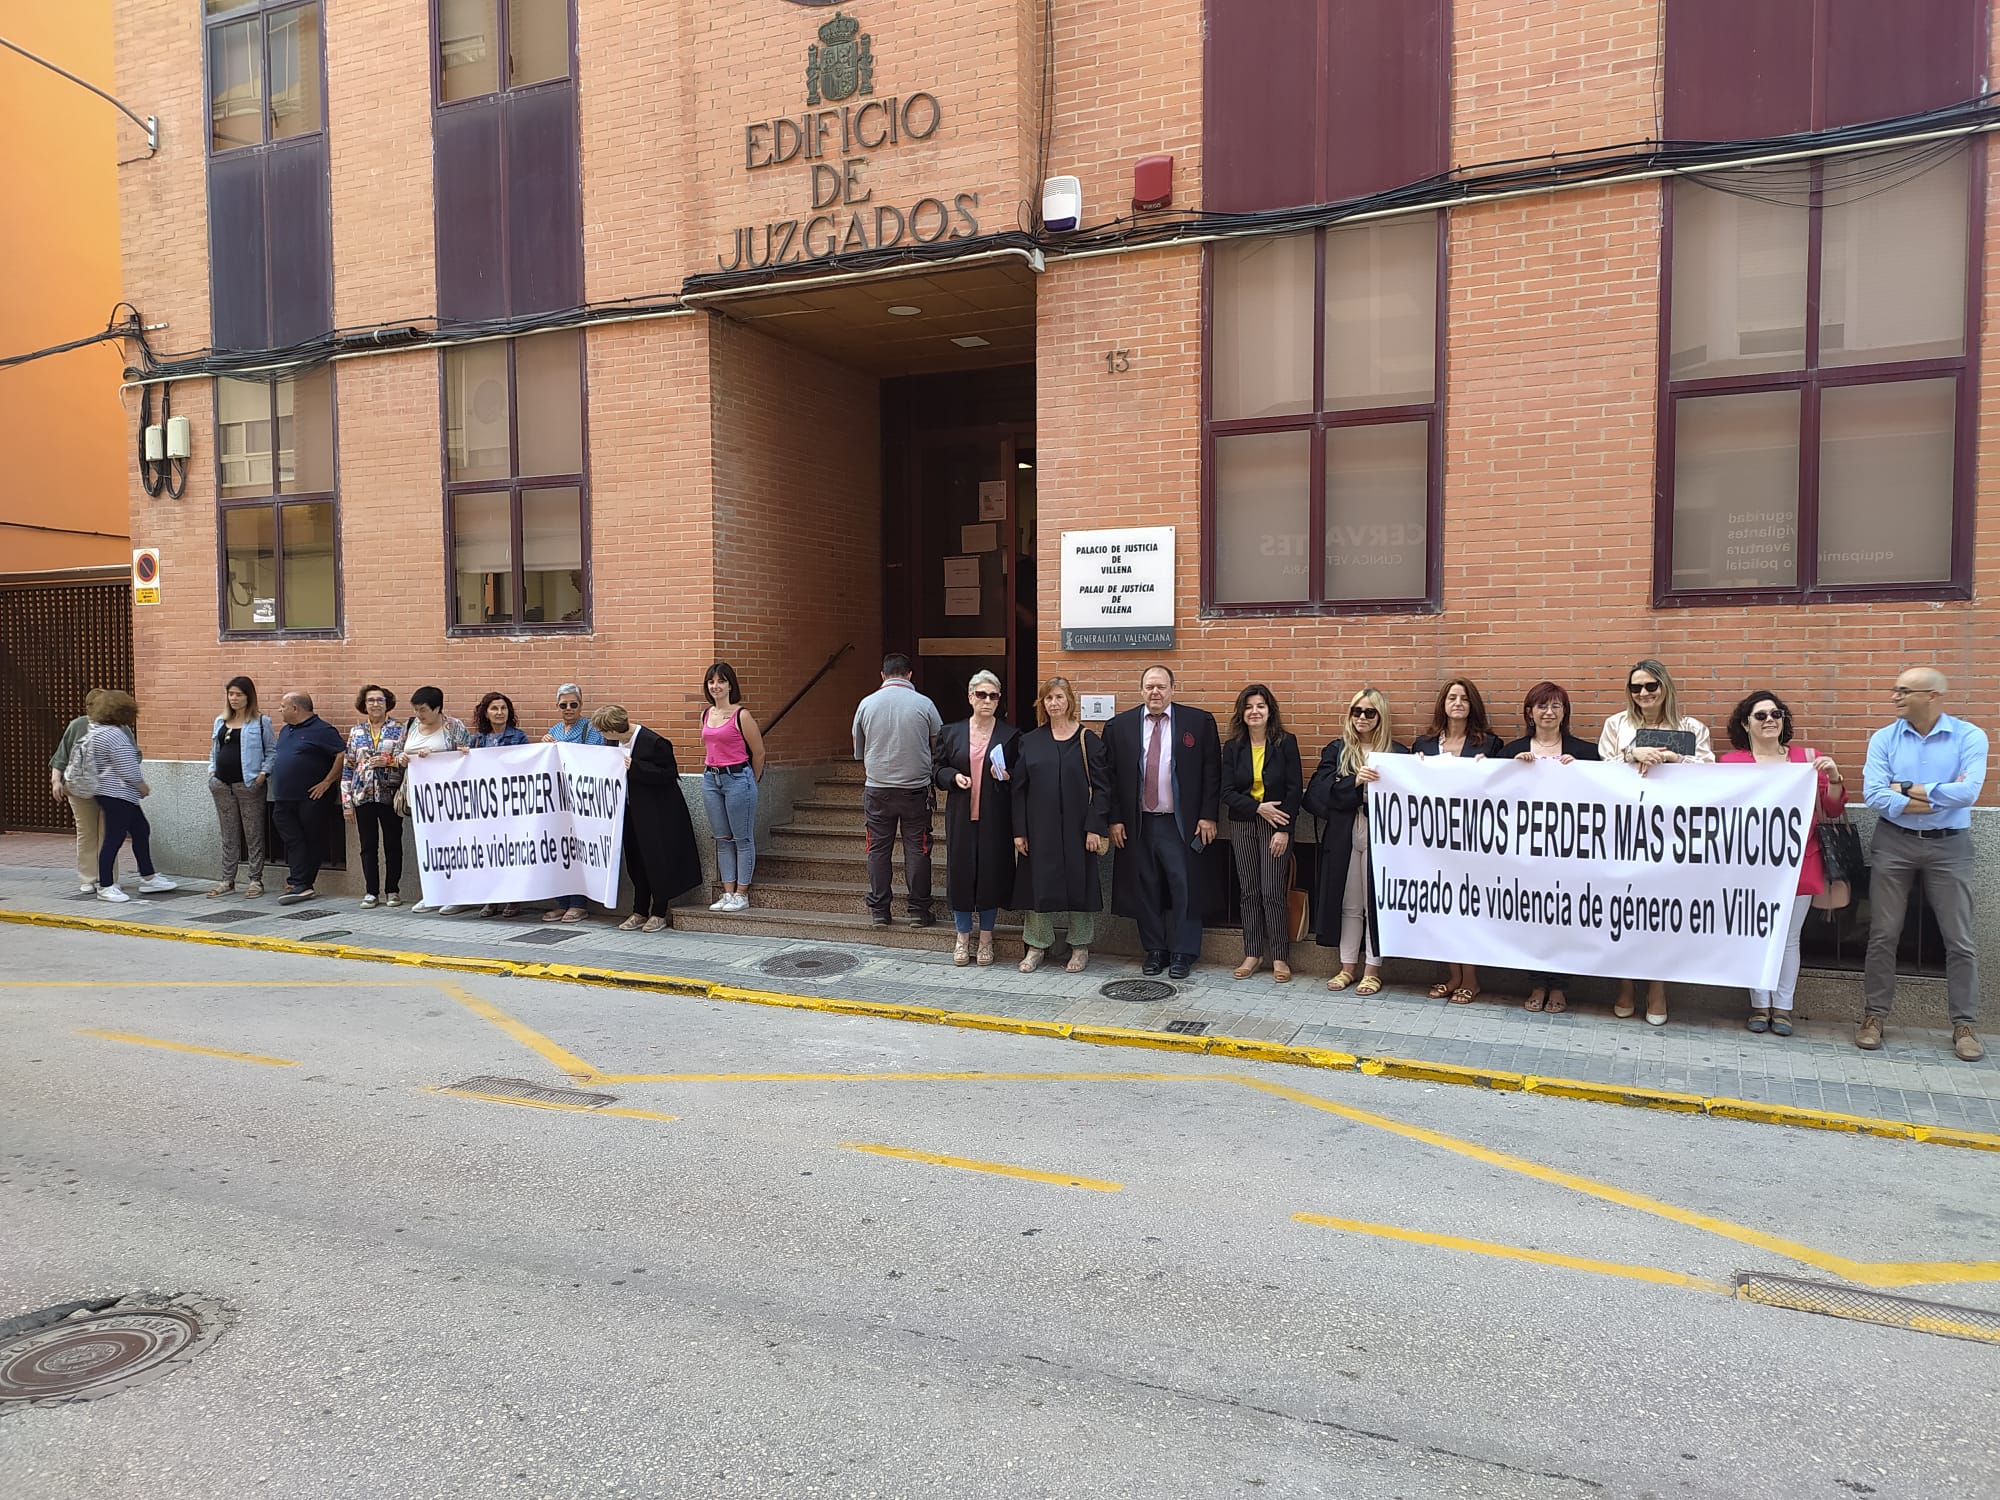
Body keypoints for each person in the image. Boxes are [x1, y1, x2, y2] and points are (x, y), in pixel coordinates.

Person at [1860, 668, 1987, 1062]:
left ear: (1932, 696)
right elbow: (1873, 796)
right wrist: (1933, 797)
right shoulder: (1884, 738)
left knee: (1959, 938)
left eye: (1904, 691)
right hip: (1893, 843)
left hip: (1950, 846)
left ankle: (1964, 1025)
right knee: (1883, 933)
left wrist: (1903, 788)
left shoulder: (1969, 736)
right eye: (1894, 690)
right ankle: (1873, 1016)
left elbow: (1967, 793)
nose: (1895, 697)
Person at [1719, 690, 1846, 1037]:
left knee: (1789, 938)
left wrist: (1834, 778)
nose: (1770, 720)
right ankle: (1759, 1004)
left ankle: (1783, 1007)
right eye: (1761, 715)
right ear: (1746, 723)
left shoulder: (1808, 759)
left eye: (1777, 714)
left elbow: (1832, 809)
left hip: (1800, 861)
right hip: (1750, 865)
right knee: (1755, 934)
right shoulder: (1731, 764)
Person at [1598, 658, 1714, 1025]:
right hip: (1625, 831)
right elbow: (1598, 773)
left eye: (1651, 686)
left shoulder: (1691, 727)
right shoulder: (1616, 724)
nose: (1644, 693)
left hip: (1671, 836)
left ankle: (1658, 987)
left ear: (1665, 687)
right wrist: (1630, 754)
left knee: (1660, 915)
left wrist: (1673, 757)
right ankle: (1626, 985)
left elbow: (1712, 774)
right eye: (1636, 687)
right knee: (1624, 911)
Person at [1104, 665, 1222, 980]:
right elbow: (1111, 779)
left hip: (1181, 825)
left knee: (1185, 887)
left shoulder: (1198, 722)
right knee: (1146, 888)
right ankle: (1156, 950)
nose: (1155, 692)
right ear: (1141, 690)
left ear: (1172, 688)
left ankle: (1184, 952)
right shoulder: (1120, 726)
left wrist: (1208, 814)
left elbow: (1212, 771)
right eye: (1149, 687)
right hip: (1138, 823)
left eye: (1161, 686)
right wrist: (1114, 820)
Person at [1501, 682, 1602, 1013]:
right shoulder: (1510, 751)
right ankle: (1536, 982)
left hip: (1569, 853)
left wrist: (1583, 773)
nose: (1548, 712)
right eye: (1542, 706)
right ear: (1530, 712)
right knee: (1532, 919)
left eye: (1556, 706)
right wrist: (1512, 770)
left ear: (1565, 712)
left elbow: (1603, 797)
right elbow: (1491, 794)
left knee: (1563, 919)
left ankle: (1559, 986)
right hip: (1525, 854)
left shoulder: (1585, 752)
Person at [1307, 687, 1407, 995]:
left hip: (1383, 835)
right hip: (1345, 831)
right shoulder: (1337, 749)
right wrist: (1354, 782)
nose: (1362, 717)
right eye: (1356, 711)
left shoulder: (1397, 753)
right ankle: (1347, 967)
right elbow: (1318, 793)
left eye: (1369, 712)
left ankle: (1373, 970)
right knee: (1349, 903)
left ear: (1381, 717)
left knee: (1375, 902)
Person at [1411, 678, 1505, 1004]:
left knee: (1469, 909)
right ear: (1443, 703)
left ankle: (1471, 979)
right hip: (1434, 843)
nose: (1458, 703)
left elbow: (1500, 787)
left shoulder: (1489, 744)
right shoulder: (1423, 745)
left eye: (1464, 698)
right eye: (1452, 697)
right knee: (1444, 907)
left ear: (1472, 705)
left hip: (1472, 841)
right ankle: (1453, 975)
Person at [1010, 675, 1109, 973]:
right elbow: (1019, 790)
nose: (1054, 703)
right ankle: (1038, 945)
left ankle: (1080, 946)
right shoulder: (1030, 741)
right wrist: (1019, 831)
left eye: (1059, 697)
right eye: (1049, 698)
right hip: (1040, 830)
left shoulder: (1087, 740)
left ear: (1070, 702)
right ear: (1043, 703)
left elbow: (1103, 787)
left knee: (1081, 886)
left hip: (1079, 830)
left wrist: (1096, 826)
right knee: (1038, 887)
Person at [934, 670, 1021, 966]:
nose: (987, 700)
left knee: (990, 876)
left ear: (998, 700)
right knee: (960, 875)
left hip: (994, 819)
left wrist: (1007, 775)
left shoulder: (1010, 736)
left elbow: (1020, 776)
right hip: (961, 817)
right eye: (981, 695)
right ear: (970, 697)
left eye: (993, 696)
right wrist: (953, 776)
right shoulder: (951, 732)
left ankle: (986, 938)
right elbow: (936, 769)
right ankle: (962, 937)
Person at [593, 705, 704, 932]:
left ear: (613, 730)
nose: (602, 737)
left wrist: (637, 767)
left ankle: (659, 912)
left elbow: (669, 774)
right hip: (630, 814)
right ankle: (639, 910)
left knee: (656, 861)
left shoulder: (654, 742)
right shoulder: (612, 744)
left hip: (658, 816)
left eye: (603, 732)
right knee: (636, 862)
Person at [852, 653, 944, 928]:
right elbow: (938, 744)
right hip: (916, 788)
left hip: (878, 788)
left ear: (883, 675)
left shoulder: (866, 704)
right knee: (918, 849)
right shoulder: (925, 704)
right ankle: (918, 910)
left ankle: (880, 910)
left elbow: (858, 750)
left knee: (878, 849)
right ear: (910, 674)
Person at [1220, 683, 1303, 984]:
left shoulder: (1286, 743)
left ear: (1270, 711)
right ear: (1242, 713)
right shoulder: (1232, 747)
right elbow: (1227, 791)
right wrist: (1257, 808)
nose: (1255, 712)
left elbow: (1294, 791)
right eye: (1249, 707)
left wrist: (1283, 829)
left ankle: (1280, 958)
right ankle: (1252, 953)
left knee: (1272, 892)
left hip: (1276, 826)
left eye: (1260, 706)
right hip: (1243, 824)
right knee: (1249, 891)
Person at [79, 691, 176, 903]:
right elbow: (127, 767)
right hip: (118, 793)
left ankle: (149, 876)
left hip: (107, 792)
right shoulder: (115, 735)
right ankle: (106, 885)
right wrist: (141, 785)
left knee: (141, 829)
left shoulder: (96, 730)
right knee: (114, 837)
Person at [396, 686, 472, 914]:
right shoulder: (410, 726)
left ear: (438, 708)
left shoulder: (454, 727)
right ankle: (431, 893)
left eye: (424, 710)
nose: (420, 714)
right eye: (416, 710)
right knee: (426, 847)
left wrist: (437, 757)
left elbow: (466, 755)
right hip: (417, 797)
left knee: (452, 846)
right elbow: (400, 753)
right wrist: (401, 759)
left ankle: (457, 895)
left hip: (447, 797)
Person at [700, 662, 767, 915]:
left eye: (721, 681)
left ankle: (742, 893)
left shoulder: (742, 715)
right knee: (722, 838)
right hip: (710, 779)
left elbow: (758, 752)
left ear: (730, 684)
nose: (716, 686)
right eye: (711, 682)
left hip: (738, 777)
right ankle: (727, 892)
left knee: (742, 838)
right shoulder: (706, 714)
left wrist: (751, 780)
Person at [268, 690, 346, 906]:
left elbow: (341, 753)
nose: (279, 710)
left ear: (296, 708)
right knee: (293, 838)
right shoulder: (285, 730)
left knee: (311, 839)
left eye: (283, 706)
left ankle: (302, 883)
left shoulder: (322, 730)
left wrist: (327, 782)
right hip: (284, 797)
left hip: (311, 797)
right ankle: (298, 881)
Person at [50, 688, 126, 895]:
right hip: (79, 790)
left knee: (108, 833)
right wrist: (56, 780)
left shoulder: (120, 727)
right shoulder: (77, 726)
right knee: (86, 832)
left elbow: (133, 755)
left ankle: (108, 878)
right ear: (89, 708)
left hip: (110, 789)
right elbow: (61, 756)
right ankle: (88, 878)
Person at [205, 676, 274, 899]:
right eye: (230, 694)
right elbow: (214, 749)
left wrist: (262, 775)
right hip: (222, 785)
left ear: (248, 696)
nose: (233, 698)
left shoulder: (261, 721)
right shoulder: (220, 721)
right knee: (228, 834)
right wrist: (212, 772)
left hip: (249, 784)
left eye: (238, 694)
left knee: (253, 833)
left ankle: (255, 880)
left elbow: (272, 751)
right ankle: (227, 879)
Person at [542, 683, 604, 923]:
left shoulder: (591, 729)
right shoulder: (555, 729)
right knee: (560, 849)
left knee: (578, 849)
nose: (569, 708)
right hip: (557, 798)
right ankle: (562, 902)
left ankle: (579, 903)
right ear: (557, 706)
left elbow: (596, 758)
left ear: (581, 705)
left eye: (573, 704)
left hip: (582, 798)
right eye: (563, 705)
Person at [341, 685, 407, 910]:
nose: (375, 704)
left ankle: (392, 890)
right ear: (364, 704)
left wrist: (388, 761)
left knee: (393, 844)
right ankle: (371, 892)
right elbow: (348, 766)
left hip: (390, 795)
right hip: (363, 795)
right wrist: (346, 802)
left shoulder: (399, 729)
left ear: (387, 703)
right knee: (367, 845)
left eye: (380, 700)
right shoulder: (356, 731)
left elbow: (405, 758)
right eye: (371, 700)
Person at [468, 692, 531, 918]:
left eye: (503, 708)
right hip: (485, 806)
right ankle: (491, 899)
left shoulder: (518, 737)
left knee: (510, 852)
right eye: (494, 708)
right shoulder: (476, 741)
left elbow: (526, 767)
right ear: (486, 712)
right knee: (489, 853)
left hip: (511, 804)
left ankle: (513, 900)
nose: (499, 712)